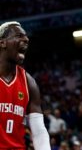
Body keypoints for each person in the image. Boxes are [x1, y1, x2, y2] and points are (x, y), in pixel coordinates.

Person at [0, 21, 51, 150]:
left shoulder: (29, 82)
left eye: (26, 36)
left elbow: (39, 131)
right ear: (2, 42)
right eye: (19, 35)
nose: (26, 39)